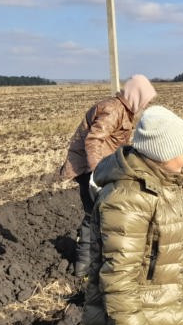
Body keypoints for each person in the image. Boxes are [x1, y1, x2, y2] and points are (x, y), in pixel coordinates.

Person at [78, 105, 183, 325]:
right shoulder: (127, 198)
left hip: (166, 311)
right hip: (144, 322)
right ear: (162, 153)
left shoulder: (167, 183)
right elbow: (118, 280)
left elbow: (172, 249)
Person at [59, 74, 157, 277]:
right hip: (89, 168)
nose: (145, 105)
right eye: (145, 100)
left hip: (101, 166)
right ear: (136, 95)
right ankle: (84, 265)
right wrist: (97, 172)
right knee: (94, 213)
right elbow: (94, 140)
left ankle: (97, 259)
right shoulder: (113, 110)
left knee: (102, 212)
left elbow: (116, 143)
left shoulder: (123, 110)